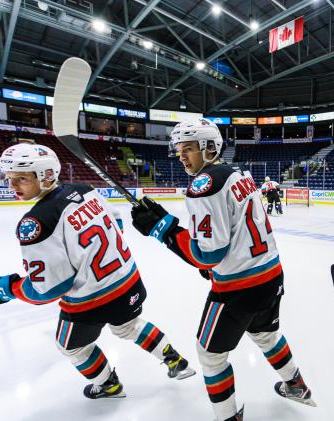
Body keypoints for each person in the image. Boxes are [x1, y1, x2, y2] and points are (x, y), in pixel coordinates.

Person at [0, 143, 195, 400]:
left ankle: (108, 384)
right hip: (128, 281)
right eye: (9, 178)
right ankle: (173, 358)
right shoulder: (87, 190)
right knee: (128, 326)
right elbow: (116, 222)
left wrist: (7, 288)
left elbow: (50, 288)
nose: (12, 186)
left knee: (71, 346)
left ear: (46, 175)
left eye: (21, 178)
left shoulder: (37, 221)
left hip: (90, 301)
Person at [130, 119, 315, 421]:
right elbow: (234, 232)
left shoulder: (203, 185)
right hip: (270, 273)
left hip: (238, 289)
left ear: (210, 147)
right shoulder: (238, 174)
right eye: (178, 150)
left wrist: (161, 230)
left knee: (211, 356)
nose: (181, 156)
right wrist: (168, 222)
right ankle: (296, 384)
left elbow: (208, 255)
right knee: (266, 335)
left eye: (188, 149)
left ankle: (228, 417)